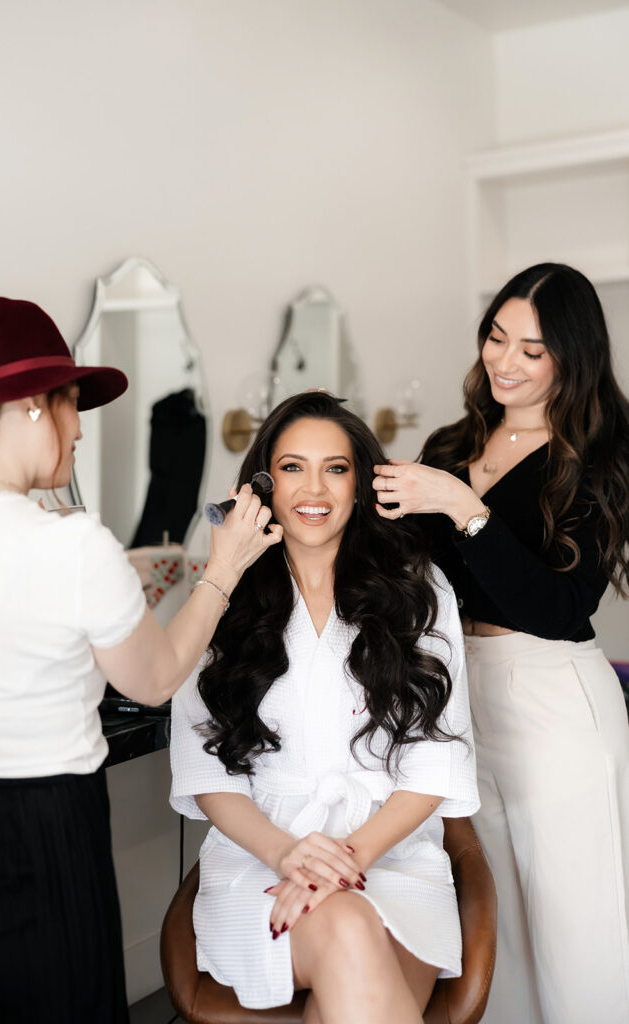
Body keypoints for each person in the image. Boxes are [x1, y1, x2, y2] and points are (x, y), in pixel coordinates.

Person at [0, 296, 282, 1024]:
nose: (79, 434)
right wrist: (222, 571)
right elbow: (156, 678)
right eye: (73, 408)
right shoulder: (69, 544)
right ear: (35, 406)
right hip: (44, 827)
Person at [169, 391, 479, 1024]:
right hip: (259, 864)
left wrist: (349, 860)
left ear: (361, 484)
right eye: (291, 467)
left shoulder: (419, 591)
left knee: (351, 943)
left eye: (335, 468)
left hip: (391, 862)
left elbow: (438, 764)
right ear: (263, 484)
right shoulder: (222, 599)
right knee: (349, 937)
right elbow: (205, 773)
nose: (315, 487)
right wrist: (289, 856)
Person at [372, 263, 629, 1024]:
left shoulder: (601, 455)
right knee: (492, 917)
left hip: (552, 695)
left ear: (569, 360)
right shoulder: (453, 441)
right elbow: (403, 572)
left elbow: (558, 605)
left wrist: (463, 507)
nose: (504, 361)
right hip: (459, 691)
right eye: (495, 337)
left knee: (575, 924)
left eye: (532, 349)